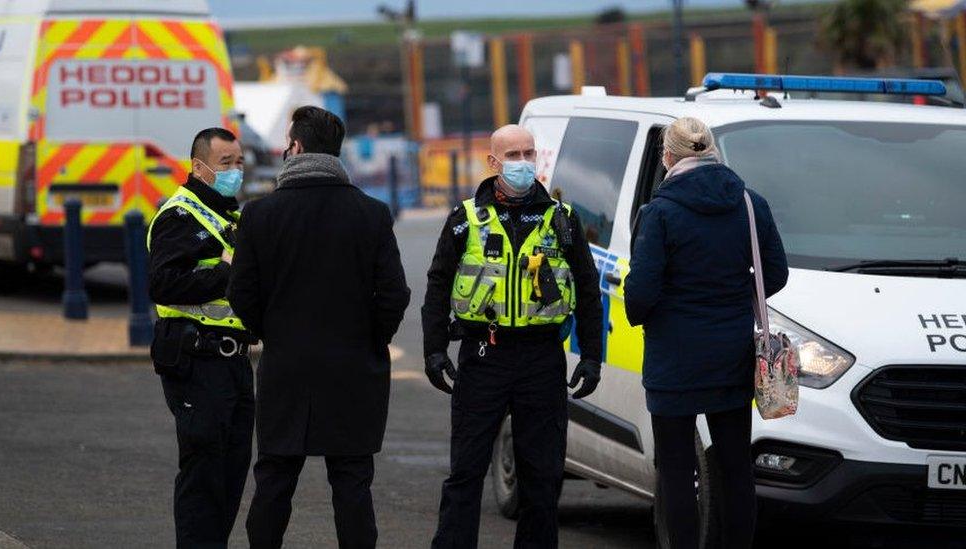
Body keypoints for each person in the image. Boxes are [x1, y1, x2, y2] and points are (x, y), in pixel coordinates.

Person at [228, 106, 411, 549]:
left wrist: (273, 332)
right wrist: (370, 340)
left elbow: (241, 294)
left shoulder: (260, 215)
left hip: (286, 367)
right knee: (352, 485)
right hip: (354, 371)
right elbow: (394, 294)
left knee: (274, 478)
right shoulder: (371, 213)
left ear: (297, 147)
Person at [421, 124, 604, 548]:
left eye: (528, 153)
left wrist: (592, 355)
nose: (523, 162)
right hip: (484, 356)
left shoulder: (562, 218)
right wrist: (433, 350)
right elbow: (437, 285)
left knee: (542, 477)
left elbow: (587, 288)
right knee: (465, 472)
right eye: (513, 155)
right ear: (493, 162)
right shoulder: (465, 218)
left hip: (541, 359)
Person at [624, 117, 788, 549]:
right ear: (711, 151)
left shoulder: (658, 213)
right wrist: (732, 297)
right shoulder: (751, 204)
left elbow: (640, 295)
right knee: (736, 467)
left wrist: (654, 310)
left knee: (677, 469)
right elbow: (776, 274)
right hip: (733, 354)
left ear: (669, 157)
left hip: (673, 359)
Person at [148, 127, 255, 548]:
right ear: (199, 167)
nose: (234, 171)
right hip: (196, 359)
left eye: (239, 162)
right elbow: (164, 284)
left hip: (235, 362)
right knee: (203, 476)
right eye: (225, 163)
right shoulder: (179, 216)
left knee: (231, 474)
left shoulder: (231, 215)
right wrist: (226, 271)